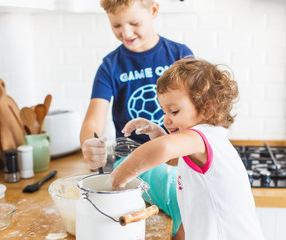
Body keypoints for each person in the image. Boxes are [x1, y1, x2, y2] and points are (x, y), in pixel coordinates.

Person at [110, 58, 265, 240]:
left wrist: (118, 178)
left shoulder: (203, 135)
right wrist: (157, 132)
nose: (166, 120)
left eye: (174, 111)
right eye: (164, 111)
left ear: (207, 109)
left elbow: (164, 148)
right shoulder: (203, 143)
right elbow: (173, 158)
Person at [79, 0, 193, 238]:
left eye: (134, 23)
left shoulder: (180, 55)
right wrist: (91, 144)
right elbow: (93, 121)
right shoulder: (110, 66)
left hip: (177, 156)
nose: (126, 32)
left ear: (153, 10)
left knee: (190, 195)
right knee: (179, 197)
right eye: (116, 25)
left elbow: (196, 112)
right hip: (130, 162)